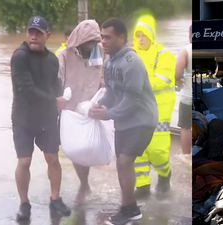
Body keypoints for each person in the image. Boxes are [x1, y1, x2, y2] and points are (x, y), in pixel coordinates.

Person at [88, 18, 157, 224]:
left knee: (125, 161)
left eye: (107, 37)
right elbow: (111, 92)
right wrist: (98, 104)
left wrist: (107, 114)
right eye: (101, 37)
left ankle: (127, 209)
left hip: (142, 119)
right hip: (124, 121)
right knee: (120, 163)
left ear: (121, 38)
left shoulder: (132, 62)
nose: (103, 42)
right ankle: (131, 207)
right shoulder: (109, 62)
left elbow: (132, 100)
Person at [10, 16, 71, 221]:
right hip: (23, 118)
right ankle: (24, 204)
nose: (34, 36)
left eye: (38, 33)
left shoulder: (52, 59)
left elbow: (56, 85)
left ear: (48, 35)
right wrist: (55, 100)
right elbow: (26, 89)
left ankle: (55, 200)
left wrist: (63, 100)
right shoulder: (20, 56)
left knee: (52, 158)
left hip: (46, 117)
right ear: (27, 34)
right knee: (24, 161)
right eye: (30, 32)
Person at [56, 19, 105, 204]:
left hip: (91, 107)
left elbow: (102, 74)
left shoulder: (99, 52)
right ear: (80, 39)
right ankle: (84, 185)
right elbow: (57, 80)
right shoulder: (64, 55)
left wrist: (103, 93)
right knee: (75, 149)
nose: (92, 46)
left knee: (87, 146)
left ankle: (84, 185)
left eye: (95, 41)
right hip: (70, 109)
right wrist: (58, 100)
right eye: (89, 42)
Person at [132, 14, 176, 198]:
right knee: (138, 150)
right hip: (137, 110)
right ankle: (142, 186)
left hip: (160, 110)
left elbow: (162, 80)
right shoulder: (132, 55)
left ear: (151, 34)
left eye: (144, 35)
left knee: (158, 150)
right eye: (138, 35)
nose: (141, 39)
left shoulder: (164, 55)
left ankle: (165, 175)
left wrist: (136, 82)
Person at [175, 25, 192, 162]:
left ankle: (186, 156)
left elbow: (177, 73)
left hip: (187, 97)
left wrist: (179, 83)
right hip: (200, 95)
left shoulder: (186, 50)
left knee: (185, 127)